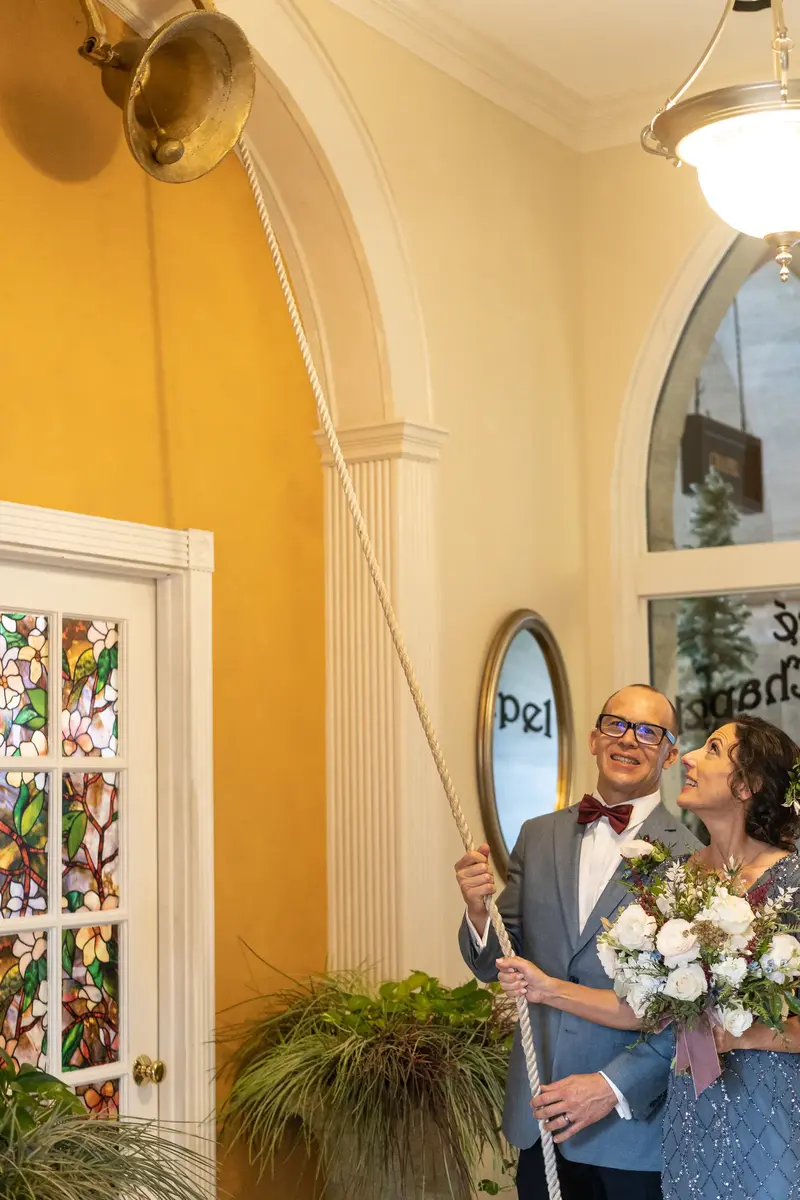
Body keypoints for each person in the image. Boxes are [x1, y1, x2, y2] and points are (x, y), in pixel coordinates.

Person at [497, 714, 800, 1200]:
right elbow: (646, 1010)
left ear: (747, 785)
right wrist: (545, 987)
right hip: (688, 1115)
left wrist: (747, 1033)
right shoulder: (677, 876)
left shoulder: (793, 881)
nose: (692, 758)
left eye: (714, 750)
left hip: (767, 1108)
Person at [456, 684, 699, 1200]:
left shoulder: (692, 859)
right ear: (593, 738)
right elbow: (498, 959)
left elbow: (690, 1015)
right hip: (538, 1116)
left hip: (632, 1129)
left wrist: (612, 1088)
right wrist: (479, 911)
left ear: (670, 753)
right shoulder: (537, 835)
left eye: (648, 732)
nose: (628, 740)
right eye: (616, 724)